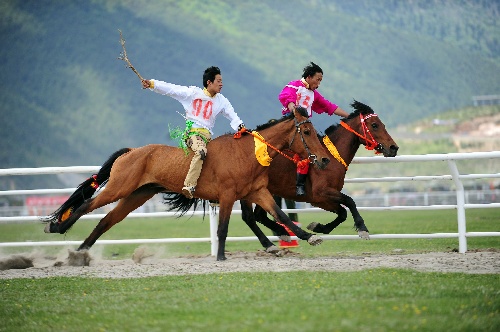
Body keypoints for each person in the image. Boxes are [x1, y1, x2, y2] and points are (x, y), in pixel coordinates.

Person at [141, 66, 246, 199]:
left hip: (208, 138)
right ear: (209, 82)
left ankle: (215, 196)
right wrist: (152, 84)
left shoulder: (222, 101)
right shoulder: (192, 93)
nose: (221, 84)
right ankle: (189, 186)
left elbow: (233, 115)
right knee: (201, 152)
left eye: (221, 81)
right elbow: (172, 89)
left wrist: (241, 126)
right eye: (218, 81)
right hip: (193, 135)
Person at [279, 62, 349, 196]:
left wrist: (350, 116)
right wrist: (295, 110)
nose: (319, 83)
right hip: (290, 122)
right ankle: (299, 185)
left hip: (305, 124)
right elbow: (287, 98)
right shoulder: (294, 85)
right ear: (309, 77)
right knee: (306, 149)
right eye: (318, 79)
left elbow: (329, 107)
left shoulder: (314, 94)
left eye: (320, 80)